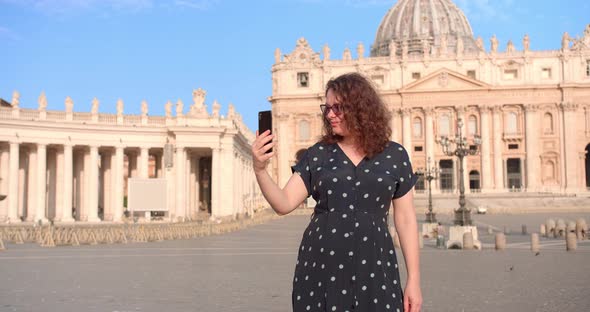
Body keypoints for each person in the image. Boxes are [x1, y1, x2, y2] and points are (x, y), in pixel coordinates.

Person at [252, 73, 422, 312]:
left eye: (338, 108)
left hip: (376, 267)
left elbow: (405, 219)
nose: (330, 114)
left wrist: (413, 279)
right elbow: (284, 203)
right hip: (321, 267)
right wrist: (260, 169)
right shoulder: (318, 154)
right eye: (327, 108)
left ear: (361, 108)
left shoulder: (395, 155)